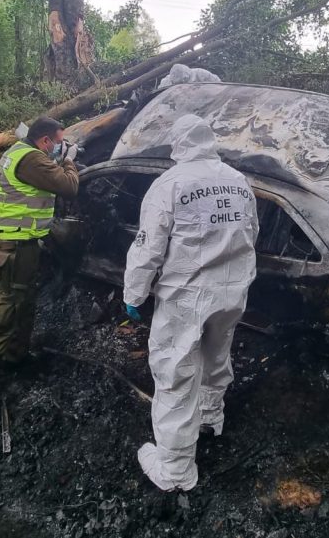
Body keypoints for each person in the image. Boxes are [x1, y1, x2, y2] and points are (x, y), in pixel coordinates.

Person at [123, 114, 259, 491]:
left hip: (187, 296)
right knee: (217, 355)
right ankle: (211, 417)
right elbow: (252, 232)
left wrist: (133, 294)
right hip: (233, 289)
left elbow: (148, 248)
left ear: (178, 145)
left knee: (174, 372)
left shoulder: (169, 184)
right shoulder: (237, 181)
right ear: (210, 141)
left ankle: (176, 470)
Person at [0, 117, 79, 415]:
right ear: (46, 141)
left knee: (23, 302)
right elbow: (68, 187)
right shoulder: (31, 159)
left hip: (20, 244)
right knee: (2, 310)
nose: (62, 146)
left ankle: (16, 356)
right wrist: (70, 161)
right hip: (9, 247)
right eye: (60, 141)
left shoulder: (19, 152)